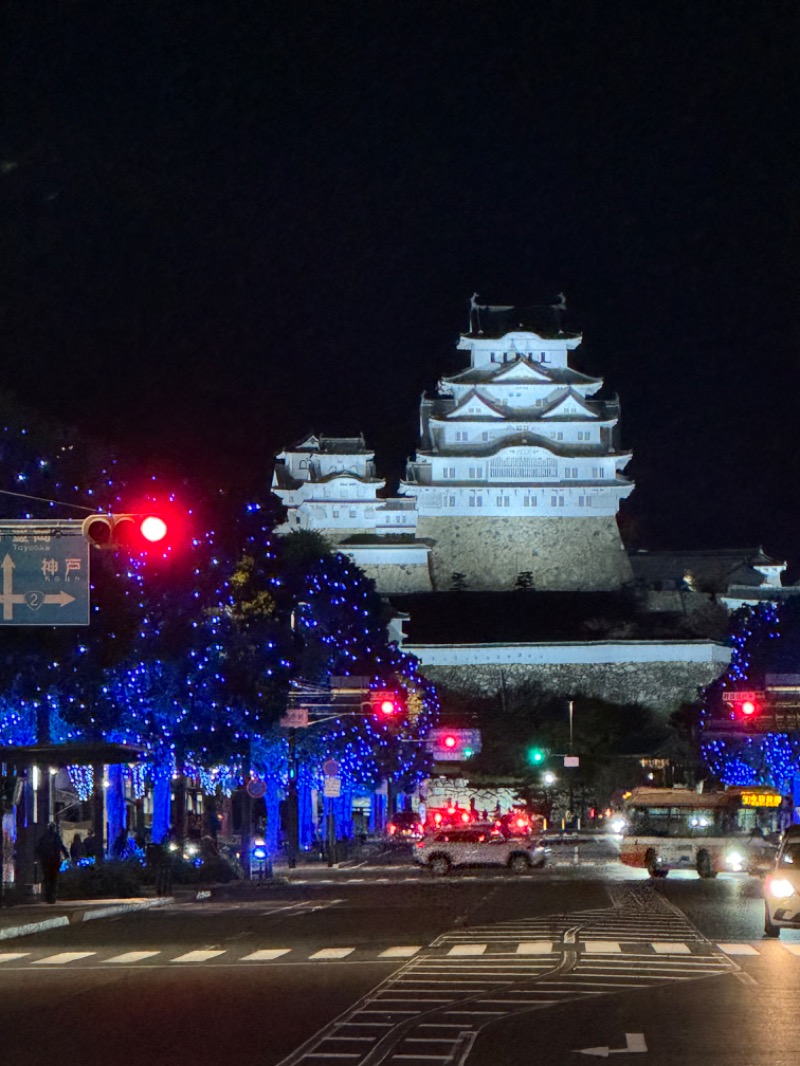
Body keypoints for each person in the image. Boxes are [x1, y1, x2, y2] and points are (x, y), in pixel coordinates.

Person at [36, 823, 69, 904]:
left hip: (45, 861)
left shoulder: (43, 838)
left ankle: (48, 896)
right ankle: (52, 897)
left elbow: (38, 849)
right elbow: (61, 847)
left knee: (47, 878)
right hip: (55, 861)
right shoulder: (56, 837)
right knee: (53, 879)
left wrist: (39, 858)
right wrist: (67, 855)